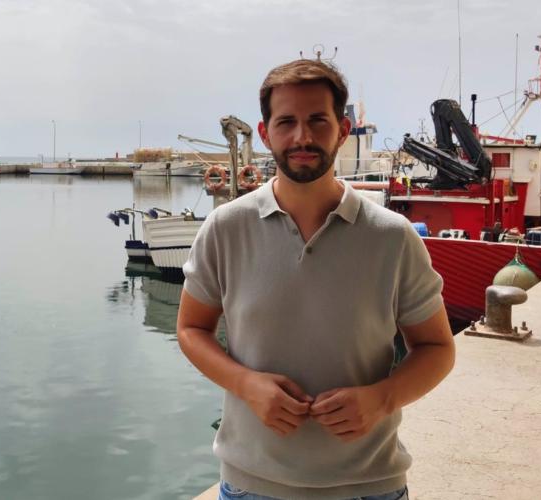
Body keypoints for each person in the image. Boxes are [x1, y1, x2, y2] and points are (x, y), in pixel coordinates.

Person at [176, 58, 455, 500]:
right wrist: (246, 383)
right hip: (252, 484)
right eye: (286, 122)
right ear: (265, 133)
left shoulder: (392, 237)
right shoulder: (225, 228)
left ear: (342, 130)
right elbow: (191, 329)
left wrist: (382, 398)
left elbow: (437, 348)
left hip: (370, 484)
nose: (302, 137)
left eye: (317, 121)